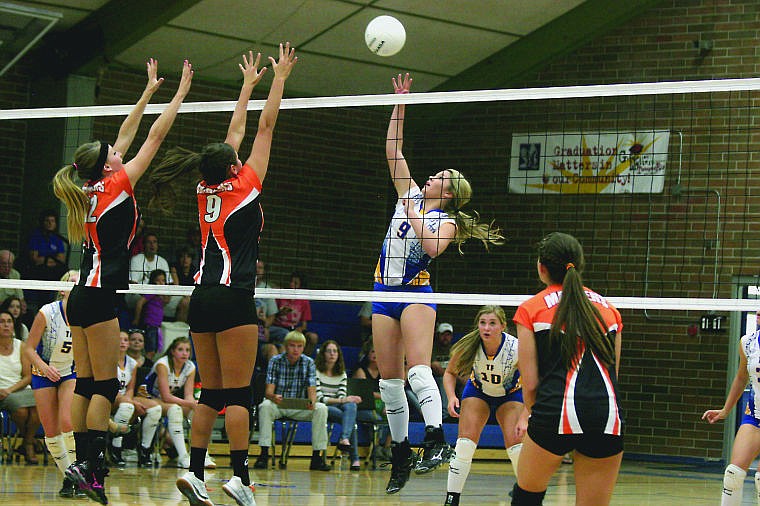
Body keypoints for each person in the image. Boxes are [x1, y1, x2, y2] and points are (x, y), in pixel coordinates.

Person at [149, 45, 296, 506]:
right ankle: (240, 480)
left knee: (211, 391)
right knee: (237, 393)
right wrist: (277, 80)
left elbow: (236, 131)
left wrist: (247, 86)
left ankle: (194, 473)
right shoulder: (247, 182)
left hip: (202, 297)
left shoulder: (203, 186)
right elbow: (264, 126)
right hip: (233, 297)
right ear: (233, 165)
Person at [51, 57, 193, 505]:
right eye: (112, 153)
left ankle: (82, 466)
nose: (118, 150)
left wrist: (149, 90)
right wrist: (179, 95)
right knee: (105, 386)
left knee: (87, 381)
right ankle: (92, 467)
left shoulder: (92, 187)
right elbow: (152, 136)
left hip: (80, 295)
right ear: (109, 167)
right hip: (96, 297)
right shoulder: (119, 183)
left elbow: (127, 135)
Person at [374, 72, 505, 494]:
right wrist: (401, 103)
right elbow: (393, 149)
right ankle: (400, 452)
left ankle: (435, 438)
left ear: (448, 193)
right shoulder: (408, 191)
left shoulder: (444, 219)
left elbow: (430, 248)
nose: (431, 175)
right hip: (381, 292)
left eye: (440, 177)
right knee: (388, 382)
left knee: (416, 369)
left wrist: (415, 207)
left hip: (415, 295)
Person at [511, 232, 623, 506]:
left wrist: (533, 413)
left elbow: (531, 382)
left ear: (542, 268)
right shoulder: (610, 311)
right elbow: (614, 373)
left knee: (526, 497)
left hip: (553, 411)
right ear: (579, 264)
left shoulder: (531, 309)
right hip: (605, 415)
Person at [443, 305, 525, 506]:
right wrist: (451, 396)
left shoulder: (517, 348)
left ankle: (525, 495)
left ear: (503, 326)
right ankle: (452, 498)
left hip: (511, 394)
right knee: (464, 446)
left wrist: (525, 415)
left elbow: (534, 382)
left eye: (492, 323)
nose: (486, 328)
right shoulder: (469, 344)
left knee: (516, 448)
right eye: (482, 323)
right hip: (478, 391)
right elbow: (450, 372)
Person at [23, 270, 79, 496]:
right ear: (63, 289)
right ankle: (69, 476)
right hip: (42, 370)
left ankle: (79, 474)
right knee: (51, 432)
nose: (78, 286)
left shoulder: (87, 315)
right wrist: (45, 368)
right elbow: (28, 348)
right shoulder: (47, 312)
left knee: (68, 421)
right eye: (73, 282)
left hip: (69, 372)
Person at [702, 308, 760, 505]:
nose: (758, 311)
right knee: (732, 474)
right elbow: (742, 377)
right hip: (755, 415)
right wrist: (725, 410)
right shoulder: (748, 342)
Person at [254, 330, 331, 472]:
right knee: (264, 405)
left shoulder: (309, 363)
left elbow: (312, 389)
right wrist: (273, 397)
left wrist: (311, 402)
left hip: (300, 406)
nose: (296, 349)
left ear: (303, 347)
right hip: (278, 404)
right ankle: (263, 454)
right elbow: (268, 392)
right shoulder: (275, 361)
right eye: (292, 346)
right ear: (285, 346)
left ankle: (316, 457)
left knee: (321, 408)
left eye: (299, 346)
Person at [144, 336, 202, 469]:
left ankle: (202, 455)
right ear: (172, 351)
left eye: (187, 350)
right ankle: (183, 456)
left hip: (166, 401)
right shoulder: (162, 364)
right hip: (148, 397)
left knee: (198, 411)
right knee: (175, 409)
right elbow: (166, 396)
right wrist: (190, 403)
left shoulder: (190, 366)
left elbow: (188, 395)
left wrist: (194, 403)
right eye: (180, 349)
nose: (184, 353)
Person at [108, 330, 162, 468]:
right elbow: (108, 386)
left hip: (125, 397)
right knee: (128, 406)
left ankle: (145, 450)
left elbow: (131, 388)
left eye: (125, 340)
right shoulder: (108, 359)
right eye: (119, 339)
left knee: (156, 408)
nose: (122, 342)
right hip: (109, 397)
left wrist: (130, 399)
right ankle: (115, 448)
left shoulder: (132, 363)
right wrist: (129, 401)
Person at [0, 309, 41, 465]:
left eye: (9, 322)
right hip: (2, 392)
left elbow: (28, 376)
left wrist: (10, 390)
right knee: (21, 411)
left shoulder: (21, 346)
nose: (6, 325)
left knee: (38, 406)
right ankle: (30, 444)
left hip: (18, 389)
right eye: (2, 322)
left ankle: (26, 442)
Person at [315, 340, 363, 470]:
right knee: (349, 418)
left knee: (351, 406)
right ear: (323, 354)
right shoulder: (316, 372)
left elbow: (341, 395)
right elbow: (319, 399)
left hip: (336, 405)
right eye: (329, 351)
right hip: (322, 408)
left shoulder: (342, 373)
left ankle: (344, 439)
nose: (332, 354)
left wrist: (346, 400)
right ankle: (355, 458)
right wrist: (343, 400)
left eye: (335, 351)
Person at [352, 337, 391, 461]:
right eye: (372, 352)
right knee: (377, 419)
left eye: (377, 352)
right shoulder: (361, 371)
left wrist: (385, 404)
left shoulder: (384, 372)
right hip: (363, 406)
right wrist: (382, 396)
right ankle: (376, 447)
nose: (375, 355)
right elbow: (365, 393)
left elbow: (390, 391)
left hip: (381, 404)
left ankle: (388, 446)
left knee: (396, 415)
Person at [270, 271, 318, 355]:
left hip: (293, 328)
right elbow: (271, 317)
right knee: (286, 334)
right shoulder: (281, 296)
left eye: (295, 283)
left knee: (313, 337)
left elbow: (304, 325)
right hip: (278, 327)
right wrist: (280, 313)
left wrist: (300, 329)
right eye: (291, 282)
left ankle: (303, 360)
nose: (292, 284)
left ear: (300, 286)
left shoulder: (304, 301)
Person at [132, 269, 170, 359]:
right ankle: (146, 367)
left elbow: (167, 301)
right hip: (150, 325)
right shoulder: (152, 291)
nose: (161, 283)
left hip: (157, 326)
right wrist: (136, 319)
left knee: (155, 350)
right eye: (158, 280)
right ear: (153, 281)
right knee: (150, 350)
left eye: (163, 280)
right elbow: (139, 303)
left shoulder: (161, 294)